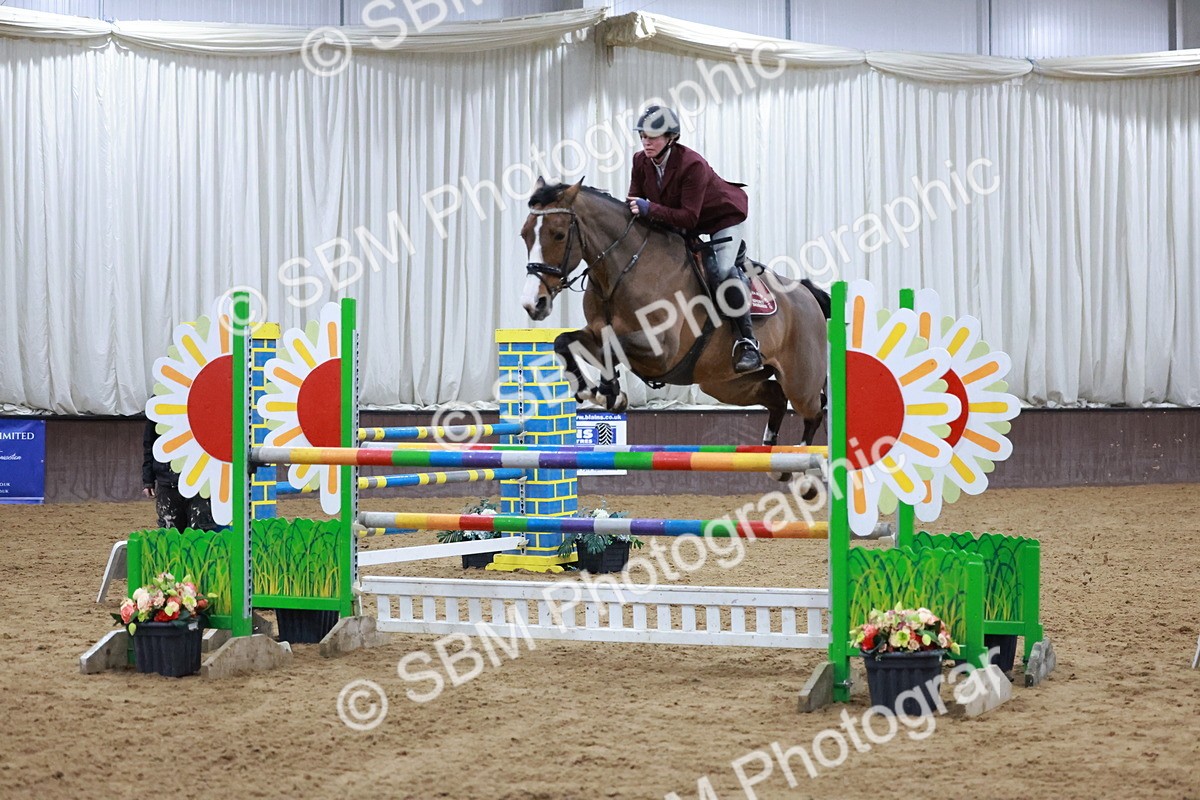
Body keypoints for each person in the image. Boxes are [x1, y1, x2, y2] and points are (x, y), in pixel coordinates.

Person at [626, 105, 763, 373]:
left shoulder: (692, 164)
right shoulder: (640, 161)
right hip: (682, 221)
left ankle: (748, 342)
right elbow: (634, 203)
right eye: (643, 135)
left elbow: (688, 217)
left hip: (722, 219)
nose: (646, 141)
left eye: (652, 137)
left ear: (671, 139)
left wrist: (648, 208)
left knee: (722, 270)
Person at [142, 418, 217, 531]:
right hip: (168, 480)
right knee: (171, 533)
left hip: (200, 479)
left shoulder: (207, 401)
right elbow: (150, 444)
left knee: (200, 532)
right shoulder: (159, 403)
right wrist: (148, 480)